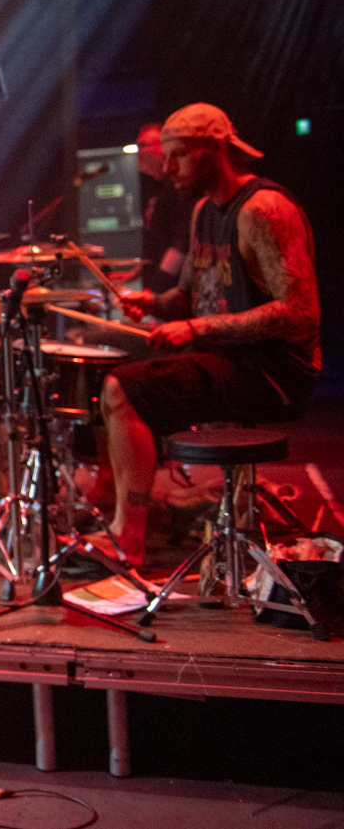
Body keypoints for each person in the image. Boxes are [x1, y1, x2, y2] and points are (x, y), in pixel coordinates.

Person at [98, 103, 321, 564]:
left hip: (273, 371)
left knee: (121, 390)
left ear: (214, 150)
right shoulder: (204, 211)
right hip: (228, 358)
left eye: (178, 154)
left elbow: (301, 312)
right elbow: (188, 296)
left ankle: (128, 535)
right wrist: (152, 303)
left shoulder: (264, 209)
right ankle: (129, 509)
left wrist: (196, 327)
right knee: (106, 369)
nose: (167, 167)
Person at [134, 123, 194, 293]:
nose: (138, 153)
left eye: (143, 145)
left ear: (163, 149)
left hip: (172, 293)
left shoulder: (177, 188)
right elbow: (156, 244)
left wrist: (155, 291)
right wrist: (135, 273)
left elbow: (179, 247)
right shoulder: (157, 188)